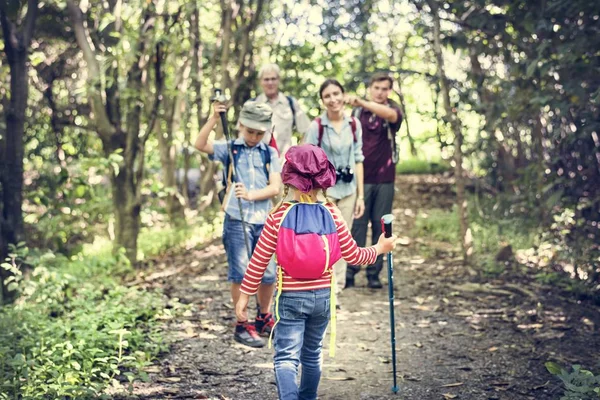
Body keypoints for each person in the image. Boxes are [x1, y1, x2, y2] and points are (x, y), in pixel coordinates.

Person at [235, 144, 398, 400]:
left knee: (287, 356)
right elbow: (355, 255)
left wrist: (244, 297)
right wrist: (380, 247)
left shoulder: (277, 216)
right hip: (323, 298)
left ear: (289, 180)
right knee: (312, 354)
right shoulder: (332, 213)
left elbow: (258, 260)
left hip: (290, 297)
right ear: (325, 180)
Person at [194, 100, 282, 348]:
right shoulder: (231, 148)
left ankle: (264, 316)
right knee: (241, 272)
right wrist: (213, 118)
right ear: (241, 126)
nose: (254, 137)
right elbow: (200, 144)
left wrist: (252, 195)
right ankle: (242, 323)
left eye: (259, 132)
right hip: (237, 219)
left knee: (267, 272)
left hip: (264, 220)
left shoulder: (269, 152)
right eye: (250, 131)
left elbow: (275, 187)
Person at [303, 79, 365, 293]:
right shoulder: (316, 127)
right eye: (327, 96)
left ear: (343, 94)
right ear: (322, 101)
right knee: (323, 238)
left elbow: (358, 159)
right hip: (324, 192)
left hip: (348, 190)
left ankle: (336, 288)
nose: (333, 99)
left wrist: (361, 196)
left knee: (343, 238)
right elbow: (307, 160)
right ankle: (321, 285)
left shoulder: (354, 124)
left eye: (336, 94)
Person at [344, 73, 403, 289]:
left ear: (389, 90)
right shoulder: (358, 112)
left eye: (384, 88)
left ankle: (374, 272)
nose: (380, 92)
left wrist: (361, 101)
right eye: (376, 88)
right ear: (370, 88)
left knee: (381, 224)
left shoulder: (392, 109)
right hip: (361, 177)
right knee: (357, 224)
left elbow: (391, 116)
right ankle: (351, 269)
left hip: (385, 177)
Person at [255, 63, 311, 157]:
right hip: (258, 163)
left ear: (279, 80)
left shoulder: (290, 103)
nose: (270, 83)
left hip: (284, 164)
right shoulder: (253, 104)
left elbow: (307, 131)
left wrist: (297, 154)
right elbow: (242, 135)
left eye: (273, 79)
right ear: (260, 81)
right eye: (266, 79)